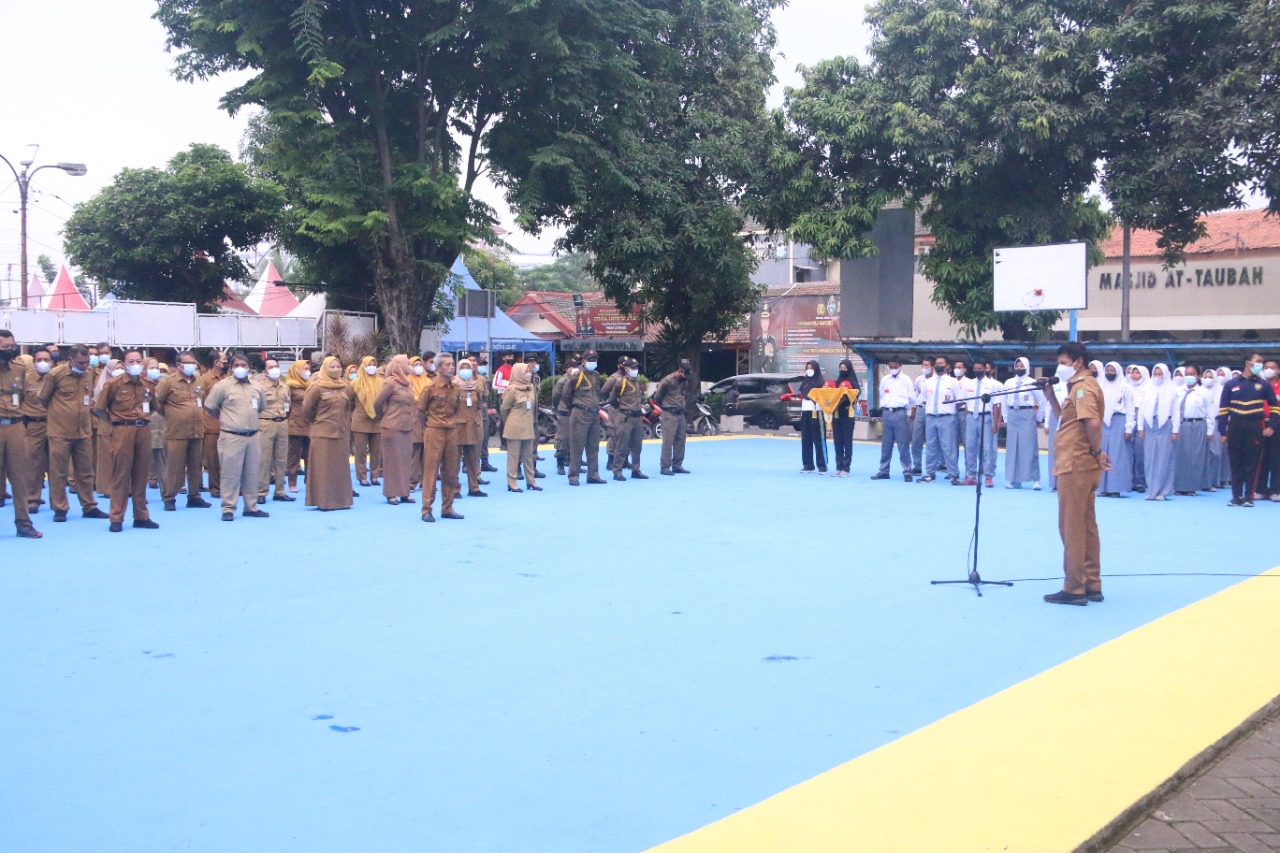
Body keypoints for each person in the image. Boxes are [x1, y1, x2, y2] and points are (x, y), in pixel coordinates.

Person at [1042, 342, 1109, 606]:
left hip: (1076, 463)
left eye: (1064, 362)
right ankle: (1092, 582)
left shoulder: (1082, 388)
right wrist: (1049, 395)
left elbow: (1092, 423)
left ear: (1077, 363)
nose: (1061, 367)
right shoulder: (1080, 388)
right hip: (1083, 463)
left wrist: (1097, 450)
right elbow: (1068, 419)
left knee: (1071, 526)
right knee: (1086, 525)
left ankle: (1074, 586)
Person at [92, 349, 159, 533]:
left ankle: (141, 516)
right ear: (124, 363)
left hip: (143, 429)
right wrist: (115, 422)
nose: (135, 364)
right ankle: (116, 518)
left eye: (138, 361)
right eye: (131, 361)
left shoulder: (148, 384)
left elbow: (154, 407)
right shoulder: (113, 384)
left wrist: (144, 418)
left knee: (141, 474)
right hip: (122, 430)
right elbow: (98, 409)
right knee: (120, 475)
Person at [39, 345, 107, 522]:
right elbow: (42, 398)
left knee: (85, 471)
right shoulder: (56, 375)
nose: (84, 365)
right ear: (70, 360)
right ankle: (60, 508)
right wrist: (59, 414)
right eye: (80, 362)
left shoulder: (90, 373)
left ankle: (89, 506)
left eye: (86, 362)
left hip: (83, 430)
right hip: (60, 431)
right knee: (58, 472)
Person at [204, 352, 269, 522]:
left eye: (244, 365)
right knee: (229, 474)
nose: (240, 368)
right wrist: (226, 419)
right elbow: (210, 407)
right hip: (231, 436)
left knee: (252, 473)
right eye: (236, 365)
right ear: (231, 367)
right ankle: (228, 508)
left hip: (253, 435)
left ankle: (251, 507)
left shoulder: (257, 386)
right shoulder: (222, 386)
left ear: (249, 367)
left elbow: (261, 407)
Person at [1217, 352, 1279, 507]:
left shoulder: (1264, 385)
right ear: (1248, 363)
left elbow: (1274, 407)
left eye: (1262, 362)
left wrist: (1272, 426)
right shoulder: (1231, 384)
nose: (1260, 365)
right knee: (1235, 462)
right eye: (1258, 361)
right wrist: (1222, 431)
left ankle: (1248, 497)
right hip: (1235, 425)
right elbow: (1223, 409)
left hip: (1255, 425)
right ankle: (1236, 496)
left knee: (1253, 463)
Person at [156, 351, 211, 512]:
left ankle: (194, 496)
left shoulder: (199, 381)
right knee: (174, 466)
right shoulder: (168, 382)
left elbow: (203, 400)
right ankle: (169, 498)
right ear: (179, 365)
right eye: (187, 363)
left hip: (197, 430)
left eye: (193, 362)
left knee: (195, 466)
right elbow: (157, 403)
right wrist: (173, 416)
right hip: (176, 432)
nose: (191, 366)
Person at [301, 356, 357, 511]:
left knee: (340, 469)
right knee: (323, 469)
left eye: (338, 366)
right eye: (331, 367)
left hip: (341, 433)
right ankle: (324, 502)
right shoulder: (317, 387)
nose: (335, 369)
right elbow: (307, 411)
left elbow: (349, 406)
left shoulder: (345, 387)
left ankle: (341, 501)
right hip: (323, 434)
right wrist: (320, 422)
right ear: (325, 368)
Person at [0, 330, 41, 538]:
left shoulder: (19, 368)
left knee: (19, 478)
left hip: (16, 426)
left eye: (12, 346)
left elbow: (28, 394)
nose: (10, 350)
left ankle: (23, 523)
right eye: (5, 347)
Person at [419, 353, 463, 521]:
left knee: (451, 470)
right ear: (438, 368)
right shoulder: (430, 388)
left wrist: (450, 423)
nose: (452, 367)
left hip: (451, 431)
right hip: (434, 431)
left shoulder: (456, 388)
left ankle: (447, 507)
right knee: (431, 470)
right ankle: (426, 509)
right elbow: (420, 411)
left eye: (453, 364)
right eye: (447, 364)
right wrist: (429, 427)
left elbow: (457, 410)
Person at [374, 354, 417, 504]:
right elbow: (378, 403)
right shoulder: (390, 383)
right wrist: (383, 417)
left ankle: (404, 492)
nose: (409, 366)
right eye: (406, 364)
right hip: (392, 426)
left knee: (405, 460)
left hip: (407, 426)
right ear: (399, 366)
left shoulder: (407, 383)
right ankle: (391, 493)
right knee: (392, 461)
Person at [564, 349, 607, 485]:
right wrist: (575, 407)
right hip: (580, 413)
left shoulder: (596, 375)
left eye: (595, 360)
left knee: (593, 446)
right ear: (583, 361)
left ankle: (593, 475)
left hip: (594, 413)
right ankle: (574, 476)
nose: (593, 362)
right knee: (577, 446)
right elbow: (566, 394)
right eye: (590, 360)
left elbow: (597, 393)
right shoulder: (577, 376)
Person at [255, 357, 294, 504]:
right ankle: (261, 492)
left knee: (281, 459)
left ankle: (280, 491)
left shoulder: (285, 386)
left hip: (282, 422)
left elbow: (288, 407)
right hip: (265, 423)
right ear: (265, 371)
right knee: (264, 460)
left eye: (276, 366)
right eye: (271, 367)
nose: (275, 369)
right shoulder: (259, 386)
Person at [1138, 363, 1179, 501]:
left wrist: (1175, 430)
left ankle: (1163, 491)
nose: (1157, 376)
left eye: (1160, 374)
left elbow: (1175, 412)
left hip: (1165, 426)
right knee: (1150, 459)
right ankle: (1152, 490)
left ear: (1166, 374)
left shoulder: (1172, 390)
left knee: (1163, 459)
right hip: (1150, 426)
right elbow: (1141, 410)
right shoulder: (1147, 389)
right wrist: (1140, 427)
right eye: (1155, 374)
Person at [1000, 356, 1043, 489]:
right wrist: (1005, 418)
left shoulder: (1032, 382)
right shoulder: (1009, 382)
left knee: (1030, 447)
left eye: (1021, 366)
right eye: (1017, 366)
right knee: (1013, 448)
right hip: (1013, 415)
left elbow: (1042, 400)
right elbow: (1003, 400)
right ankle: (1013, 479)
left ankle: (1035, 479)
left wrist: (1038, 418)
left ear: (1027, 367)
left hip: (1027, 414)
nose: (1019, 368)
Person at [918, 355, 961, 484]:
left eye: (941, 363)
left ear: (947, 366)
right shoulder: (928, 382)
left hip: (947, 418)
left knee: (948, 447)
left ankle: (953, 474)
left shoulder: (953, 382)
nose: (938, 365)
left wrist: (949, 410)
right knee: (931, 447)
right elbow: (924, 399)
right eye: (936, 363)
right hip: (931, 417)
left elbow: (959, 401)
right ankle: (930, 474)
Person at [501, 363, 543, 493]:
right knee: (513, 456)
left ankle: (531, 481)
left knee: (528, 456)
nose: (529, 374)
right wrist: (508, 421)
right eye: (526, 372)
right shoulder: (512, 389)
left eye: (529, 372)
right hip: (514, 426)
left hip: (528, 426)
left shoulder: (531, 388)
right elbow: (504, 409)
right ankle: (512, 482)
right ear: (518, 373)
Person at [605, 357, 648, 481]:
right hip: (625, 417)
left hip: (637, 417)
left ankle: (636, 470)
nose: (635, 370)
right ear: (626, 368)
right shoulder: (620, 382)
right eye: (632, 368)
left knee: (637, 446)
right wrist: (621, 408)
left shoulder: (637, 382)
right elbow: (612, 399)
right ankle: (617, 471)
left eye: (636, 367)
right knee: (621, 445)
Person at [872, 356, 914, 481]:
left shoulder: (906, 380)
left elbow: (912, 397)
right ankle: (884, 470)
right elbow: (882, 395)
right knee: (886, 444)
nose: (893, 369)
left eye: (895, 367)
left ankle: (907, 470)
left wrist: (906, 408)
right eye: (891, 367)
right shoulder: (885, 379)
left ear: (900, 365)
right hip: (887, 412)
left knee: (903, 444)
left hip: (900, 412)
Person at [1096, 361, 1133, 497]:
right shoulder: (1101, 386)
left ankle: (1116, 488)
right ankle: (1103, 488)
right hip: (1102, 422)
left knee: (1117, 455)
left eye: (1112, 370)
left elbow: (1130, 408)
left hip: (1119, 420)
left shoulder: (1125, 387)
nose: (1109, 373)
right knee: (1102, 452)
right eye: (1107, 370)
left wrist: (1129, 428)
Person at [961, 360, 1001, 487]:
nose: (977, 370)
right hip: (971, 417)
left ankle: (988, 476)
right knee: (970, 447)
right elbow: (966, 403)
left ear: (985, 369)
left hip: (986, 417)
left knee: (986, 448)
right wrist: (967, 417)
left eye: (980, 368)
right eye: (975, 368)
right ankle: (971, 476)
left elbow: (996, 405)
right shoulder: (969, 384)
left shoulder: (992, 384)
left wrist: (995, 423)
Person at [1173, 365, 1211, 497]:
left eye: (1193, 373)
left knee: (1194, 456)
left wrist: (1210, 431)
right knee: (1180, 455)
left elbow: (1210, 412)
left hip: (1197, 424)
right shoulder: (1177, 391)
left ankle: (1191, 486)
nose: (1189, 376)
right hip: (1181, 425)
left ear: (1198, 376)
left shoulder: (1204, 392)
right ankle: (1178, 485)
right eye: (1187, 373)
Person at [23, 347, 53, 514]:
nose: (43, 363)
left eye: (46, 360)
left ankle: (56, 500)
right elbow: (17, 401)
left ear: (52, 362)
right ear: (34, 362)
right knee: (33, 464)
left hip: (55, 424)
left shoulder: (57, 378)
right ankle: (32, 499)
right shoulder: (25, 379)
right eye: (39, 360)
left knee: (55, 465)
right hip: (33, 425)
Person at [453, 357, 488, 498]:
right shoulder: (453, 385)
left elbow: (479, 404)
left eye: (468, 368)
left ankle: (474, 487)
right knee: (454, 460)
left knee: (473, 459)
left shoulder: (476, 386)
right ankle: (454, 489)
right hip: (458, 427)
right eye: (463, 367)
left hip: (473, 425)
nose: (466, 371)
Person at [655, 359, 693, 476]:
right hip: (669, 413)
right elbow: (657, 397)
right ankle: (665, 466)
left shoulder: (684, 382)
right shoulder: (668, 381)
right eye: (685, 374)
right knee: (668, 441)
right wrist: (667, 407)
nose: (686, 377)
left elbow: (685, 396)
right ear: (680, 371)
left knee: (681, 440)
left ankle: (677, 465)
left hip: (680, 413)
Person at [197, 350, 226, 497]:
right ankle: (215, 488)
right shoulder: (204, 380)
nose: (226, 362)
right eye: (223, 360)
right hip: (211, 424)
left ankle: (228, 486)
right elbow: (201, 403)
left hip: (229, 424)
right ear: (216, 362)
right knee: (213, 459)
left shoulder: (227, 378)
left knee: (228, 458)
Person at [351, 355, 383, 487]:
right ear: (363, 366)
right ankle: (362, 476)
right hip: (360, 420)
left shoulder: (382, 382)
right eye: (369, 364)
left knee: (376, 451)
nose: (372, 367)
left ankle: (374, 476)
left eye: (374, 364)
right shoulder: (355, 383)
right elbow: (349, 401)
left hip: (377, 420)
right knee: (361, 451)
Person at [830, 359, 861, 477]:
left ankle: (846, 468)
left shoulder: (853, 381)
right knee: (837, 441)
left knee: (847, 442)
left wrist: (850, 397)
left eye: (844, 368)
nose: (842, 370)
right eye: (840, 368)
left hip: (848, 414)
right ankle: (838, 466)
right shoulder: (837, 382)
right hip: (836, 414)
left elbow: (857, 393)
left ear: (849, 369)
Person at [285, 360, 311, 493]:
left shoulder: (311, 385)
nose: (307, 371)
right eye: (304, 369)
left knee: (310, 455)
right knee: (294, 456)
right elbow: (286, 406)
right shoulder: (290, 386)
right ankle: (292, 482)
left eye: (308, 368)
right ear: (296, 370)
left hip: (310, 424)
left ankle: (309, 482)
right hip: (295, 424)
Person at [551, 358, 579, 476]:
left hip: (576, 412)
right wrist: (560, 408)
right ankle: (560, 463)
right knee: (563, 439)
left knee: (575, 440)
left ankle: (573, 464)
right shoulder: (562, 381)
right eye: (573, 367)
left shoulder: (578, 379)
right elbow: (555, 396)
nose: (575, 369)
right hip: (565, 412)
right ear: (567, 369)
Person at [408, 355, 431, 491]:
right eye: (415, 364)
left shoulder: (428, 382)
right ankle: (412, 480)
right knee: (414, 452)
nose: (418, 367)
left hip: (427, 421)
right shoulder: (407, 382)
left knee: (427, 453)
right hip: (412, 421)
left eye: (420, 364)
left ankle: (425, 480)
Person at [1127, 365, 1150, 493]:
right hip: (1128, 418)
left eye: (1137, 373)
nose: (1134, 375)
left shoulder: (1148, 388)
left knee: (1140, 452)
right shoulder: (1126, 387)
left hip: (1143, 419)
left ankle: (1140, 482)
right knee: (1127, 452)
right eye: (1132, 373)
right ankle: (1128, 480)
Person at [145, 359, 168, 491]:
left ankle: (165, 492)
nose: (155, 370)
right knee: (143, 459)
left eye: (156, 367)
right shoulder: (141, 385)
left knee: (161, 458)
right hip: (145, 425)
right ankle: (139, 492)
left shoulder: (163, 384)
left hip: (161, 425)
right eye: (151, 367)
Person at [1260, 359, 1280, 500]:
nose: (1269, 370)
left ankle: (1275, 490)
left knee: (1276, 459)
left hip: (1277, 424)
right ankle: (1260, 489)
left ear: (1278, 370)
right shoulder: (1259, 386)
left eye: (1272, 367)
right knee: (1261, 458)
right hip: (1260, 424)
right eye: (1266, 367)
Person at [909, 358, 933, 475]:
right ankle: (917, 466)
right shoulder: (919, 380)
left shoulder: (936, 380)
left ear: (932, 367)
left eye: (926, 365)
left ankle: (932, 467)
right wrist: (914, 409)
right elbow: (915, 396)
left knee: (932, 440)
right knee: (916, 439)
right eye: (923, 365)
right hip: (920, 409)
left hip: (931, 411)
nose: (924, 367)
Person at [475, 354, 498, 473]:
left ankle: (484, 461)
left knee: (485, 438)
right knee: (474, 439)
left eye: (484, 365)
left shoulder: (486, 379)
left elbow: (490, 396)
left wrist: (492, 407)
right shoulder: (474, 379)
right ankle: (468, 464)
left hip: (486, 411)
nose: (482, 367)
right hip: (475, 412)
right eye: (481, 365)